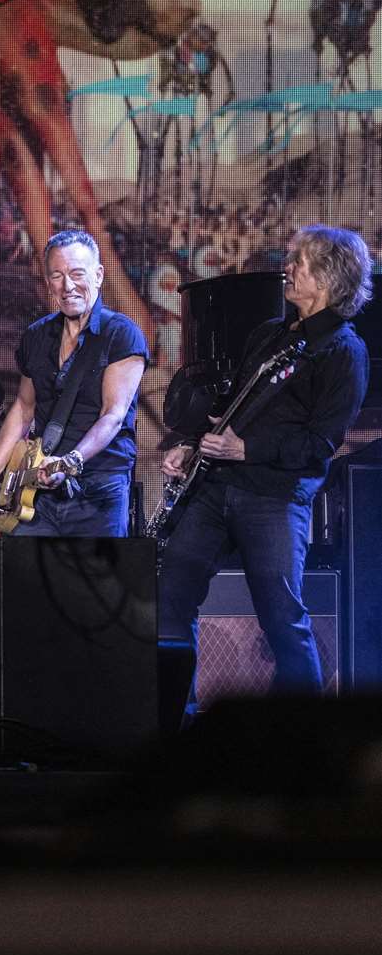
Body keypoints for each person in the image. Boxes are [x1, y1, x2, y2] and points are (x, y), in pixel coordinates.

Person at [159, 225, 371, 715]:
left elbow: (321, 442)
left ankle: (302, 732)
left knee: (281, 618)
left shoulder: (344, 351)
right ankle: (176, 718)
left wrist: (247, 449)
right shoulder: (268, 335)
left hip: (275, 497)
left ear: (329, 279)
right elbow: (230, 410)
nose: (289, 269)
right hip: (215, 487)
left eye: (301, 262)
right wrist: (193, 446)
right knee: (171, 594)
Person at [0, 229, 148, 536]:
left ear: (99, 275)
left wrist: (70, 461)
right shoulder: (37, 336)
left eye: (77, 273)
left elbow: (113, 414)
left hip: (97, 490)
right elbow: (24, 409)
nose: (68, 286)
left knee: (92, 584)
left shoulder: (121, 333)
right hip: (37, 489)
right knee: (25, 582)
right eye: (57, 275)